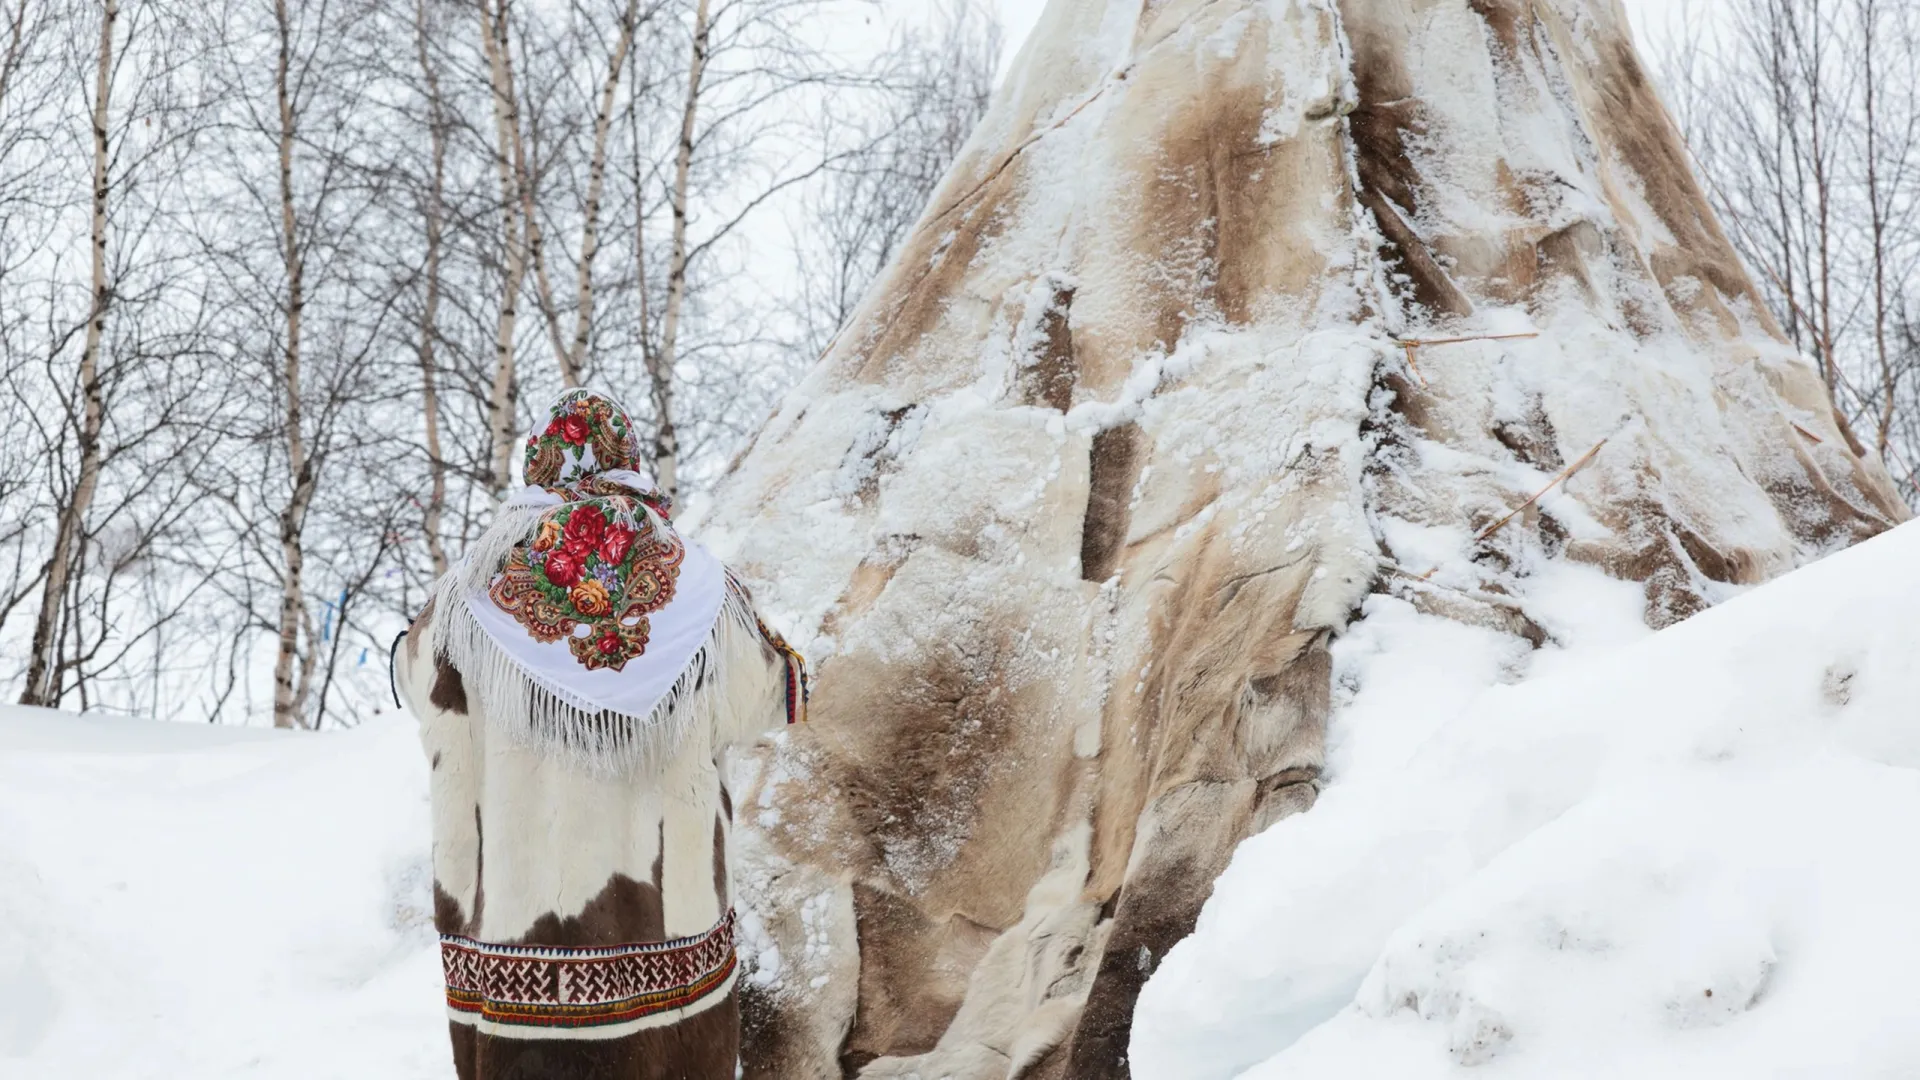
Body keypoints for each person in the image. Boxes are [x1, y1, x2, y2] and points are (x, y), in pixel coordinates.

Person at [396, 388, 804, 1079]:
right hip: (667, 966)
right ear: (631, 463)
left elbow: (414, 686)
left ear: (538, 466)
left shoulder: (462, 597)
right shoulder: (702, 590)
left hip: (510, 965)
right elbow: (778, 695)